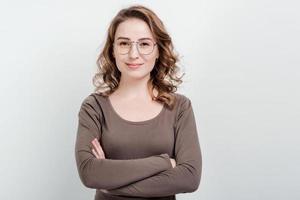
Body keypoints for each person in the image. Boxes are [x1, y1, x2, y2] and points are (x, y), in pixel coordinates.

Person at [75, 4, 202, 200]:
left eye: (144, 44)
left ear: (158, 50)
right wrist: (165, 163)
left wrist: (111, 183)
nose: (134, 54)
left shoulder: (179, 107)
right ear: (113, 50)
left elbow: (190, 178)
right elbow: (90, 172)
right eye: (124, 43)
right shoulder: (94, 107)